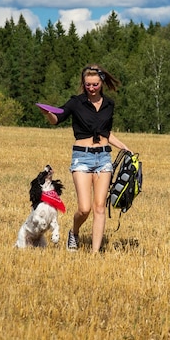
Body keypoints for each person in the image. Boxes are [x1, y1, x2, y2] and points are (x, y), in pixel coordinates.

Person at [40, 64, 131, 253]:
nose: (91, 88)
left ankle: (95, 253)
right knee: (85, 208)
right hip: (81, 158)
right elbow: (58, 119)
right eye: (88, 84)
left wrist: (124, 147)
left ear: (102, 83)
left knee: (100, 207)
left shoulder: (109, 104)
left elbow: (107, 132)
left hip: (104, 158)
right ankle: (74, 232)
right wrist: (48, 114)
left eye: (95, 85)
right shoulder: (76, 102)